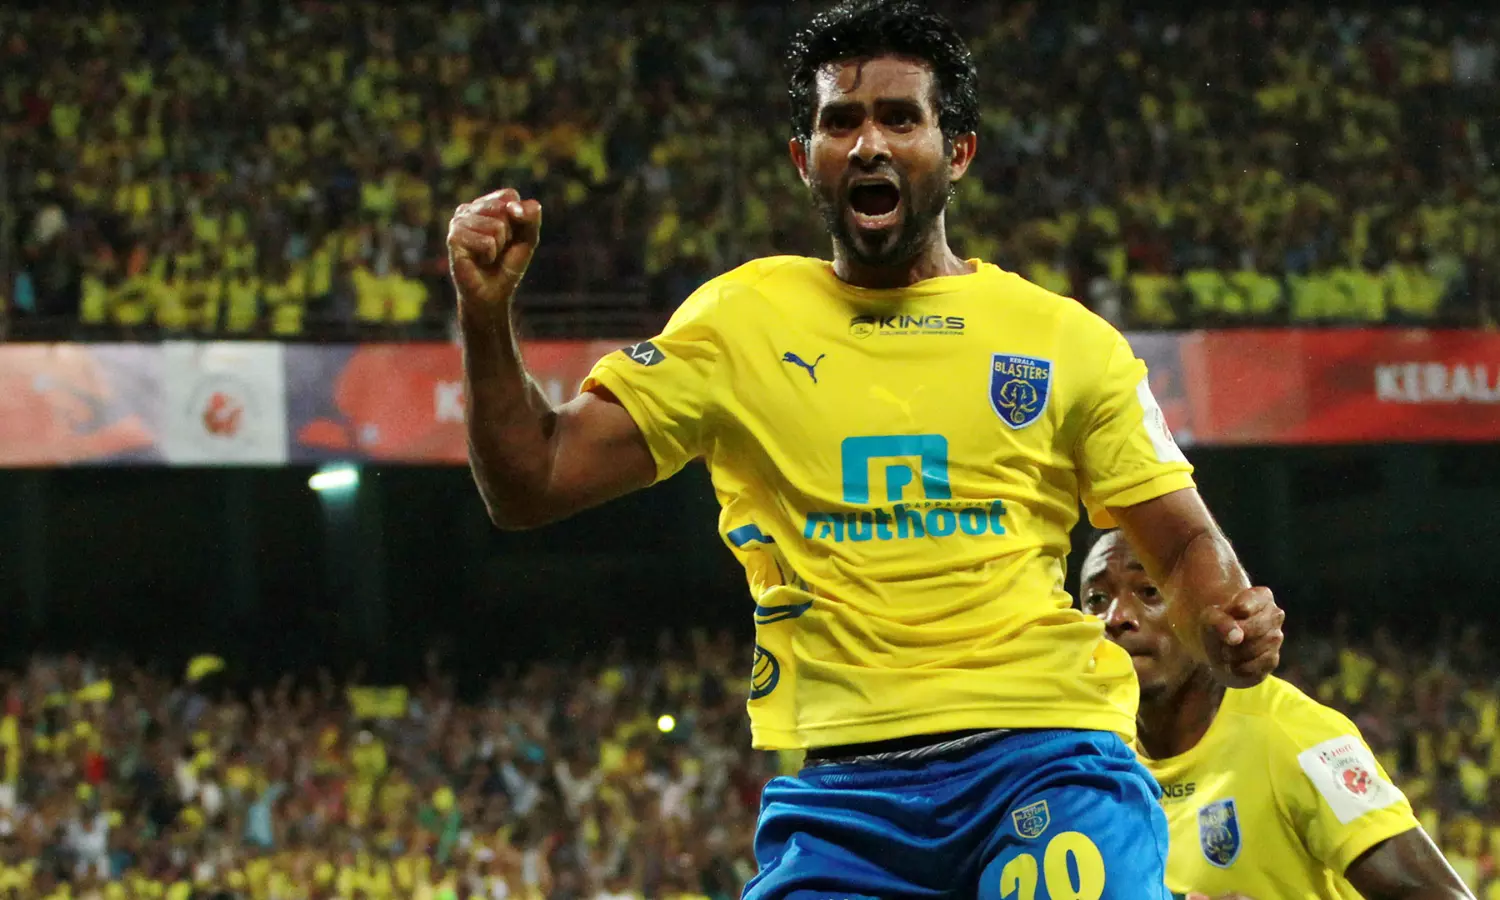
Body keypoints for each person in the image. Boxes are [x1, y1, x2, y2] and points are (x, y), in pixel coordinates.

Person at [447, 1, 1284, 896]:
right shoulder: (740, 323)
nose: (868, 144)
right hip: (844, 800)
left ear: (957, 151)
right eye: (840, 122)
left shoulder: (1065, 341)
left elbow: (1181, 542)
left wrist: (1222, 617)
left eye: (899, 118)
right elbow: (532, 481)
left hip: (1046, 758)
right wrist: (486, 316)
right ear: (803, 159)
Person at [1079, 529, 1473, 900]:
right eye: (1096, 599)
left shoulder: (1294, 735)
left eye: (1149, 591)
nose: (1116, 616)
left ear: (1207, 613)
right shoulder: (1091, 758)